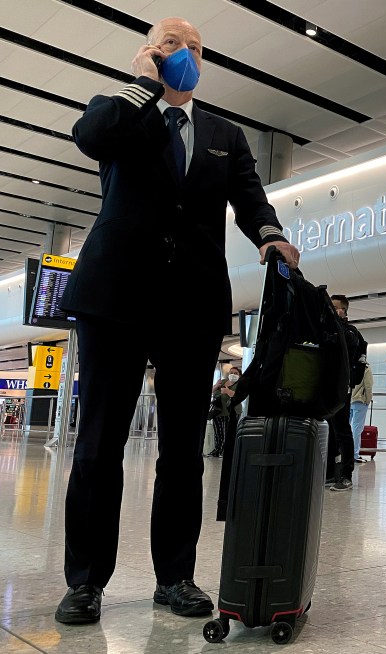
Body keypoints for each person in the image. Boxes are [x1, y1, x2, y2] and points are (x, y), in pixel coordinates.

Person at [54, 16, 301, 625]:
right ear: (150, 52)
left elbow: (249, 198)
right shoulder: (122, 110)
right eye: (172, 44)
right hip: (114, 298)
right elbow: (92, 137)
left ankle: (176, 577)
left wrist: (271, 237)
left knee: (184, 450)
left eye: (195, 46)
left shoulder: (223, 133)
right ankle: (85, 583)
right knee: (98, 446)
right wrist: (142, 82)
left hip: (191, 304)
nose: (186, 53)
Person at [328, 295, 368, 492]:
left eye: (336, 307)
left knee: (342, 429)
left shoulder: (350, 332)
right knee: (328, 429)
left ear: (344, 310)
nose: (333, 310)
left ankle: (346, 475)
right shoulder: (325, 327)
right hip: (325, 387)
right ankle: (330, 473)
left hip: (341, 388)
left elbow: (349, 347)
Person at [208, 366, 242, 457]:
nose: (233, 375)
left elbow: (238, 396)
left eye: (235, 373)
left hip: (231, 412)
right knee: (218, 432)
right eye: (231, 372)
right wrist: (216, 386)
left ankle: (225, 451)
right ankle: (217, 450)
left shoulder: (239, 384)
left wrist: (227, 391)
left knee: (226, 433)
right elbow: (213, 392)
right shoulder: (223, 382)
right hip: (218, 411)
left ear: (239, 375)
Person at [350, 364, 374, 463]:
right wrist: (368, 400)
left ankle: (343, 453)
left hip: (349, 400)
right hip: (360, 401)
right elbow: (368, 386)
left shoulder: (351, 365)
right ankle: (355, 454)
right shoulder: (366, 368)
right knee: (357, 429)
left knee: (346, 429)